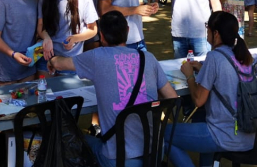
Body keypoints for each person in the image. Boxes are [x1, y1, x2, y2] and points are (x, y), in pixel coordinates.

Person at [48, 11, 177, 167]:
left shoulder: (97, 57)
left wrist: (52, 59)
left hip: (117, 158)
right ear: (128, 31)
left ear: (101, 36)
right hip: (154, 154)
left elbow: (60, 64)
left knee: (74, 138)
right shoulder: (148, 57)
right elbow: (172, 98)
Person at [165, 11, 255, 167]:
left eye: (208, 28)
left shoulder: (214, 57)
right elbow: (225, 76)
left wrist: (189, 76)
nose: (206, 31)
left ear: (216, 33)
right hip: (249, 133)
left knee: (164, 133)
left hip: (225, 134)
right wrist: (202, 68)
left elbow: (199, 100)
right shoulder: (242, 55)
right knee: (201, 117)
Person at [37, 0, 98, 72]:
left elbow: (93, 29)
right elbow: (41, 25)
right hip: (46, 56)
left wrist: (75, 38)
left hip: (70, 61)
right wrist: (46, 38)